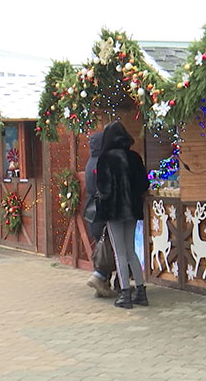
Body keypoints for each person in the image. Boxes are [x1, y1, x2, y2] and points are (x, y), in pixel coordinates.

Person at [96, 121, 150, 309]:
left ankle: (125, 294)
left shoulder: (105, 159)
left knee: (119, 253)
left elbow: (103, 189)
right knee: (130, 250)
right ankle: (141, 291)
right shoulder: (135, 157)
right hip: (132, 211)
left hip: (114, 211)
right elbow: (144, 184)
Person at [84, 131, 116, 297]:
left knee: (101, 246)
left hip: (92, 210)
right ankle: (100, 277)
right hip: (102, 210)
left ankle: (103, 285)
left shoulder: (90, 162)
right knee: (108, 248)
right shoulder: (104, 162)